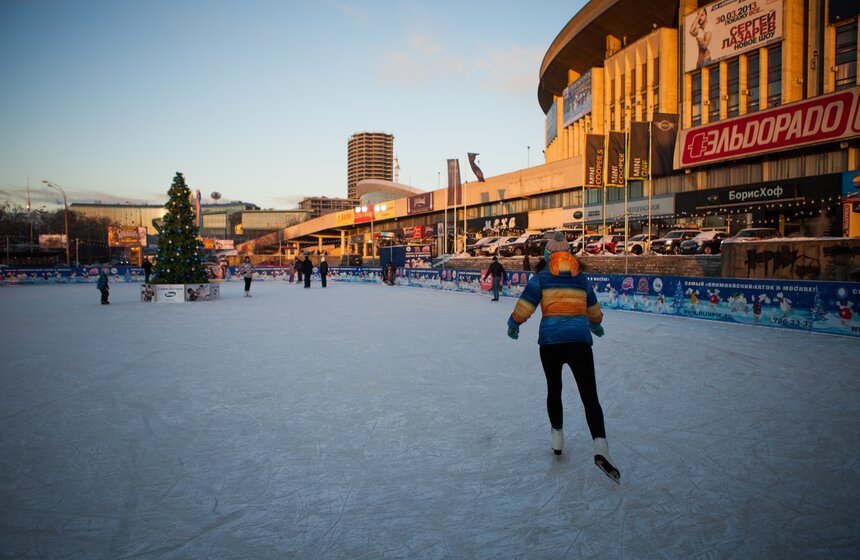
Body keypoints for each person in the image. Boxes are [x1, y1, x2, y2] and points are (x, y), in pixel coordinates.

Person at [505, 231, 620, 483]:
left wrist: (514, 324)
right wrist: (596, 325)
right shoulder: (581, 279)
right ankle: (601, 447)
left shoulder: (542, 278)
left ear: (547, 255)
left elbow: (526, 305)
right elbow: (593, 309)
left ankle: (557, 439)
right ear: (569, 254)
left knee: (554, 389)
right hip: (579, 341)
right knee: (589, 394)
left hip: (551, 343)